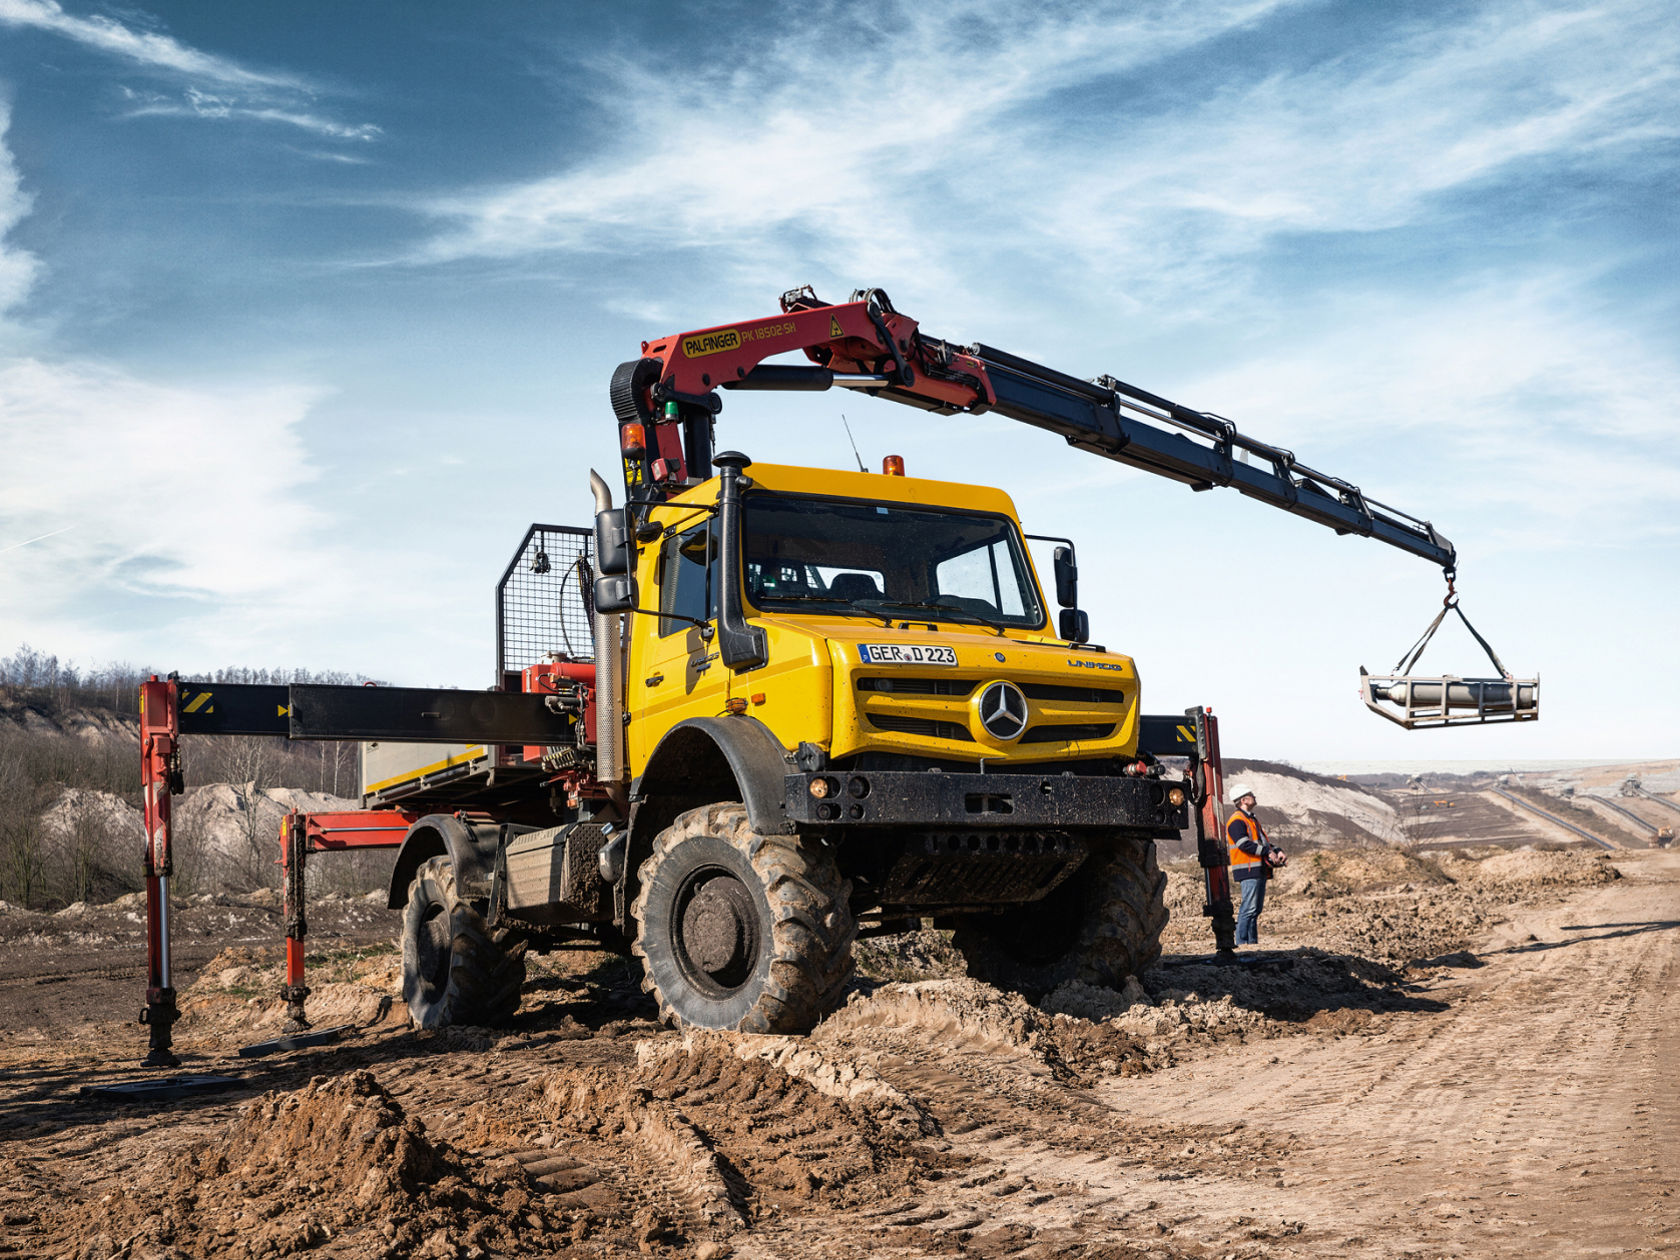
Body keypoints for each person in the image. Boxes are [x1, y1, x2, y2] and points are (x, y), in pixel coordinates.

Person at [1225, 783, 1286, 947]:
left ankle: (1251, 944)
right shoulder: (1237, 821)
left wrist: (1276, 850)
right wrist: (1267, 852)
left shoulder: (1251, 819)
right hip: (1248, 869)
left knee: (1255, 909)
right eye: (1251, 794)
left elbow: (1262, 842)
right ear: (1244, 799)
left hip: (1257, 869)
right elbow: (1243, 844)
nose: (1254, 796)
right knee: (1249, 909)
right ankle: (1242, 943)